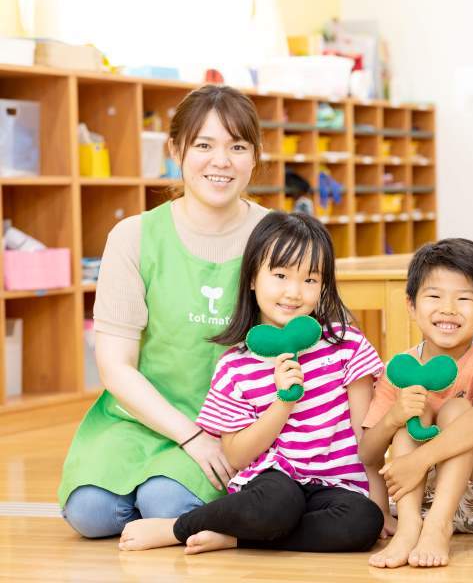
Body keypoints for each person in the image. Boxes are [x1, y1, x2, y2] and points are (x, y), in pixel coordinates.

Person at [59, 85, 270, 537]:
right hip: (140, 416)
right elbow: (115, 366)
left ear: (255, 156)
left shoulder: (275, 235)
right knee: (90, 513)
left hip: (230, 427)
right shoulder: (133, 236)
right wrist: (188, 435)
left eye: (237, 147)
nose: (221, 161)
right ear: (175, 150)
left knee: (167, 502)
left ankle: (163, 504)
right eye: (204, 145)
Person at [117, 211, 384, 553]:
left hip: (337, 486)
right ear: (253, 278)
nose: (294, 292)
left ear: (323, 286)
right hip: (273, 485)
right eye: (280, 275)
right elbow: (238, 456)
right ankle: (178, 528)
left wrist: (380, 506)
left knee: (363, 520)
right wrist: (283, 402)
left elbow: (366, 442)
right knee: (277, 504)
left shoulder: (346, 345)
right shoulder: (235, 366)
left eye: (310, 279)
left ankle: (236, 537)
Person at [359, 238, 473, 568]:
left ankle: (439, 526)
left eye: (463, 298)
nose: (449, 309)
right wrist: (394, 417)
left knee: (457, 409)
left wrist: (419, 460)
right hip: (421, 500)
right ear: (411, 306)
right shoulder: (400, 368)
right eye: (435, 296)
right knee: (413, 412)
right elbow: (368, 453)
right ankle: (409, 528)